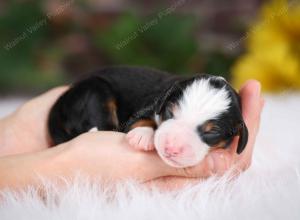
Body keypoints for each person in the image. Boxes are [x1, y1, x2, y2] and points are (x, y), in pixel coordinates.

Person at [0, 80, 264, 190]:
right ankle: (84, 135)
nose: (174, 144)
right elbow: (144, 114)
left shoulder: (234, 125)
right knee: (96, 96)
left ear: (237, 135)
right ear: (164, 105)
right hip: (87, 97)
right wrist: (144, 127)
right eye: (171, 117)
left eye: (208, 134)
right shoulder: (162, 99)